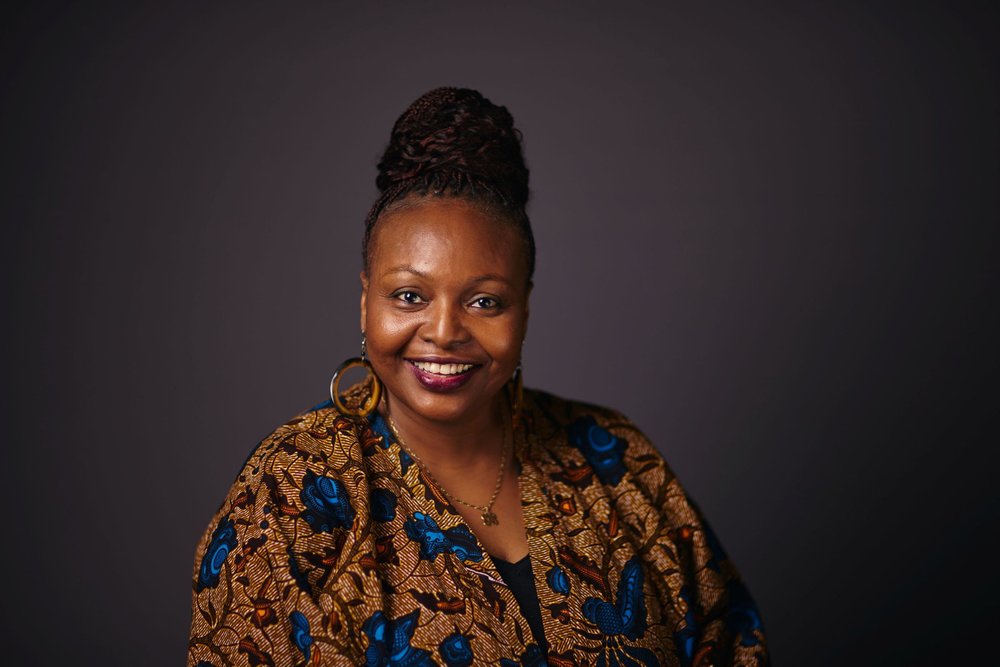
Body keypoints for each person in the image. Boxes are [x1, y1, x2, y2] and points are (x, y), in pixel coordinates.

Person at [188, 87, 769, 667]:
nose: (443, 332)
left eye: (485, 302)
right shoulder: (293, 493)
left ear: (525, 307)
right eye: (410, 296)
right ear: (366, 302)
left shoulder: (614, 458)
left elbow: (734, 644)